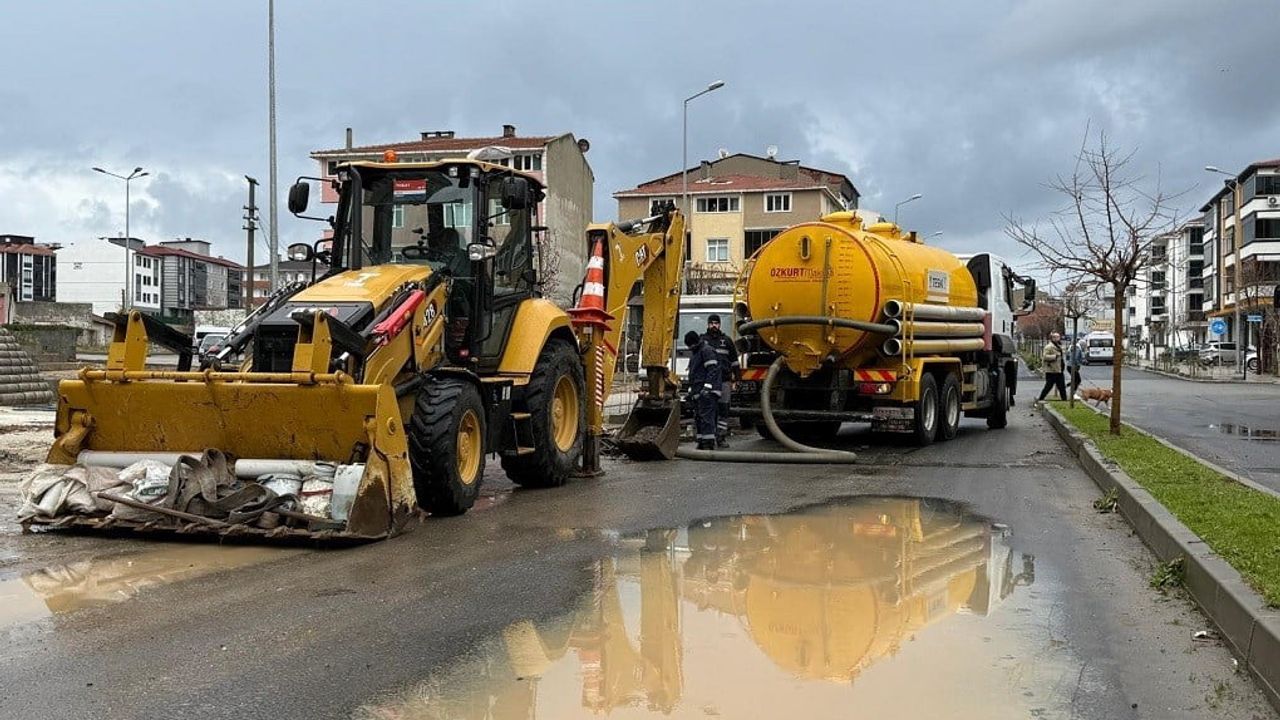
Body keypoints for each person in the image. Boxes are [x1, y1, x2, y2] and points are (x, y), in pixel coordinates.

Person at [701, 314, 739, 447]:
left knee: (723, 409)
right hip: (708, 382)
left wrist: (736, 379)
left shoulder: (727, 341)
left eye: (716, 323)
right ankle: (708, 438)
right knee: (709, 410)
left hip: (724, 381)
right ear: (707, 324)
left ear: (720, 325)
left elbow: (734, 362)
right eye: (711, 323)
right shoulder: (703, 340)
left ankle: (721, 437)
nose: (713, 326)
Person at [685, 330, 722, 451]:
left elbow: (713, 370)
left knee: (706, 417)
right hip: (699, 391)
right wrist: (692, 392)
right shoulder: (697, 352)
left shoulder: (706, 351)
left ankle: (708, 443)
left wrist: (707, 387)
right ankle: (701, 441)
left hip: (707, 392)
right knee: (699, 417)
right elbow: (695, 374)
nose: (689, 348)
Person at [1037, 332, 1067, 403]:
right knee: (1048, 386)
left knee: (1061, 386)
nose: (1058, 338)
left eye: (1058, 337)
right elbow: (1044, 357)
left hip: (1059, 370)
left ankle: (1064, 400)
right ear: (1053, 338)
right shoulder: (1049, 347)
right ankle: (1041, 398)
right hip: (1051, 370)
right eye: (1056, 337)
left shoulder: (1058, 346)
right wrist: (1055, 356)